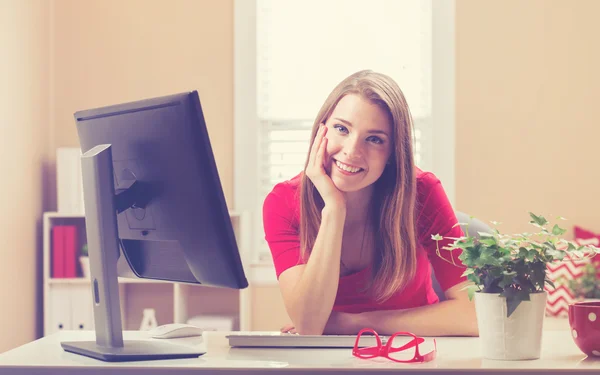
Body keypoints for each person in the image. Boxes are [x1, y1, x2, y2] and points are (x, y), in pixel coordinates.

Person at [262, 70, 478, 337]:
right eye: (342, 129)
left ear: (392, 154)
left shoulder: (422, 192)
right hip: (328, 360)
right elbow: (309, 326)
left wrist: (357, 323)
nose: (352, 151)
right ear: (321, 131)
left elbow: (474, 315)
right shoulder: (283, 202)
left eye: (374, 139)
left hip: (412, 352)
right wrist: (334, 209)